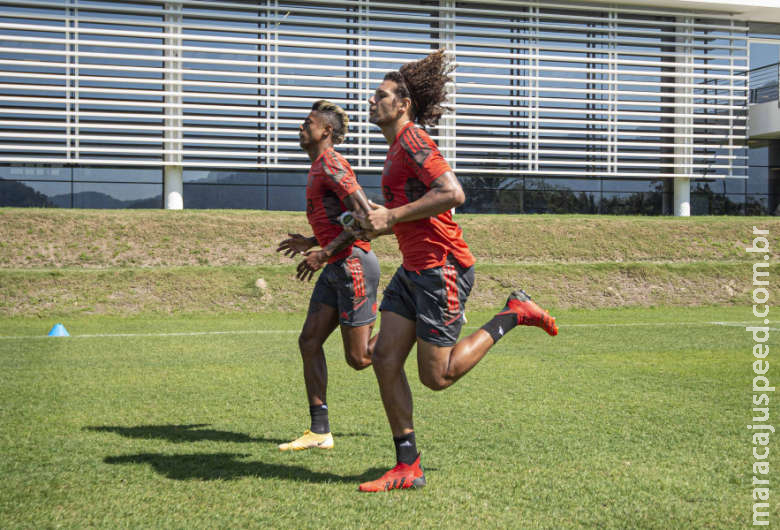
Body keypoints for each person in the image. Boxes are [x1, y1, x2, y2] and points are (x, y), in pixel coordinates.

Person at [352, 50, 559, 491]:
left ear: (403, 104)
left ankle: (512, 314)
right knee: (383, 359)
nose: (372, 102)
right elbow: (414, 218)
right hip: (414, 270)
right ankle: (407, 465)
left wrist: (391, 216)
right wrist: (377, 221)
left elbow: (452, 192)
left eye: (380, 95)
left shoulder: (413, 141)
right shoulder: (395, 150)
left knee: (437, 375)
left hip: (442, 270)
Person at [275, 100, 379, 452]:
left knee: (360, 359)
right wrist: (312, 242)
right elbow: (342, 221)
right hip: (335, 266)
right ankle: (320, 430)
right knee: (309, 341)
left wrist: (324, 252)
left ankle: (413, 325)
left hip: (353, 266)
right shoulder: (318, 167)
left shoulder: (333, 164)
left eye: (308, 123)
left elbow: (364, 216)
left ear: (326, 131)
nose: (301, 128)